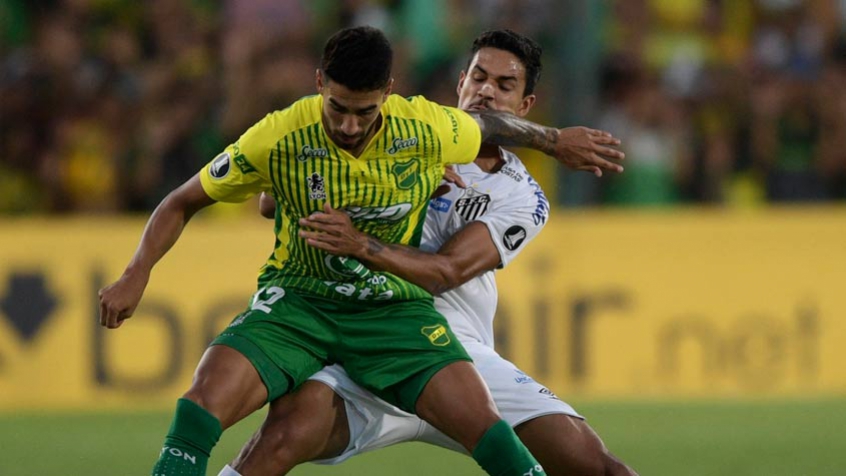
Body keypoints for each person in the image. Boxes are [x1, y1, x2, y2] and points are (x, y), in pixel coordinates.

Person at [98, 26, 624, 476]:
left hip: (440, 341)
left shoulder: (514, 192)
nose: (487, 92)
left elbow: (444, 272)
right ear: (460, 82)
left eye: (505, 84)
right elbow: (268, 197)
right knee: (281, 435)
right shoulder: (403, 131)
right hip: (341, 318)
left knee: (595, 466)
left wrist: (550, 141)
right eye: (479, 77)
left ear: (525, 105)